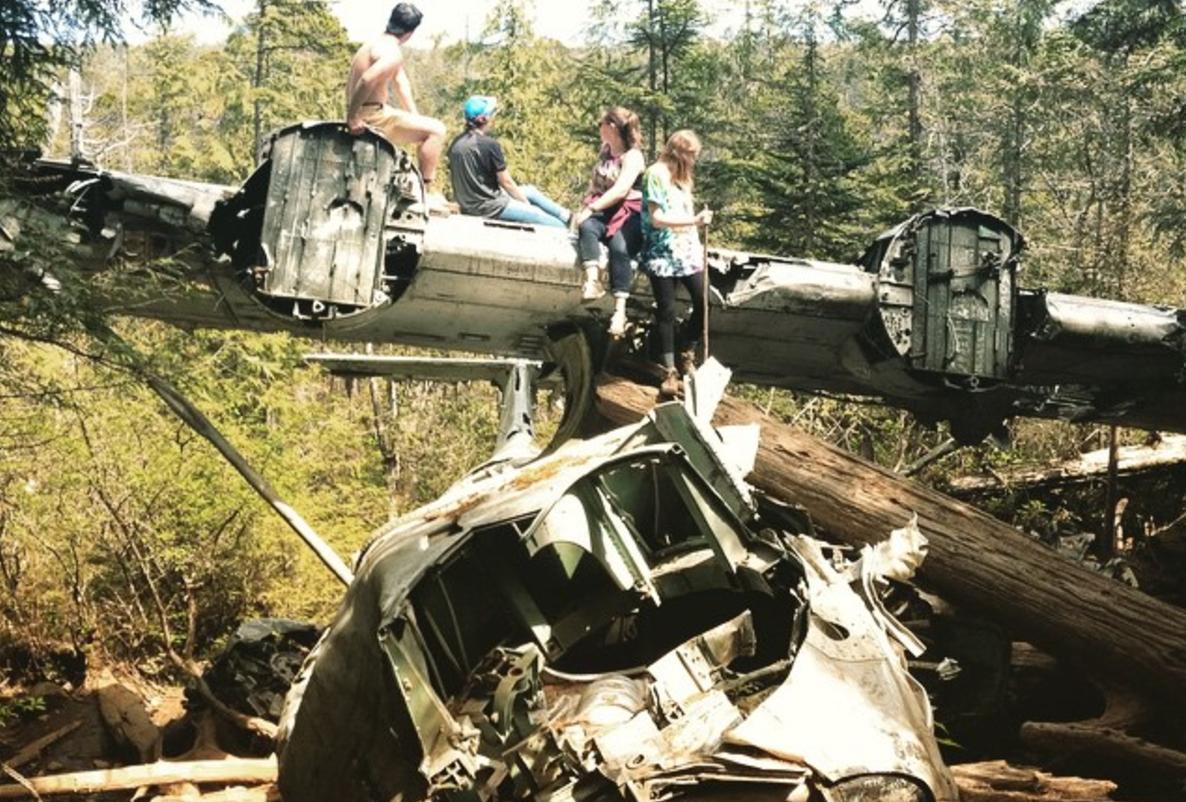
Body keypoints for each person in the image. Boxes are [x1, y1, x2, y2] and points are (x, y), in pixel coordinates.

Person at [346, 3, 448, 210]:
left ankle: (421, 189)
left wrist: (415, 118)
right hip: (371, 116)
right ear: (410, 32)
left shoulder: (375, 44)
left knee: (428, 127)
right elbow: (367, 80)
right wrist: (352, 116)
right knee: (438, 130)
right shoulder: (392, 53)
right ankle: (425, 193)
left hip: (374, 111)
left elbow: (402, 84)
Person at [640, 129, 713, 397]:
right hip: (662, 251)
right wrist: (694, 221)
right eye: (691, 156)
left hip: (687, 251)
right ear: (680, 153)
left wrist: (697, 225)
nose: (693, 161)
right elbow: (657, 217)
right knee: (667, 310)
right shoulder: (655, 175)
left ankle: (686, 348)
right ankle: (669, 368)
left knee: (703, 301)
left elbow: (684, 210)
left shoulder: (683, 178)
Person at [570, 107, 646, 335]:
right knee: (588, 226)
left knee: (618, 246)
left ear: (612, 127)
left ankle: (620, 310)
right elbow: (597, 183)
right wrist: (586, 208)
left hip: (628, 210)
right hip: (605, 207)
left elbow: (621, 189)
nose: (599, 128)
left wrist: (593, 207)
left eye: (601, 123)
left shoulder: (633, 156)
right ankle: (593, 281)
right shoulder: (606, 150)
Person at [447, 95, 570, 228]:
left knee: (530, 191)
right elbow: (507, 183)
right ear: (484, 119)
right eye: (493, 113)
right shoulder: (489, 145)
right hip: (489, 207)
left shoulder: (456, 143)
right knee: (548, 220)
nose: (494, 117)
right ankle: (567, 228)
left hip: (469, 202)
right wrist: (526, 205)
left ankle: (568, 216)